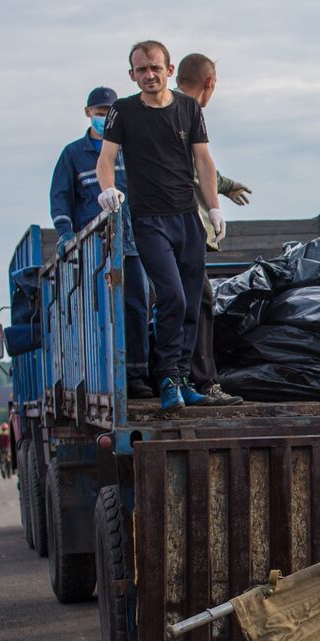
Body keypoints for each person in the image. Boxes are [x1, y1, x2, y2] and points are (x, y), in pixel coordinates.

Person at [98, 40, 229, 411]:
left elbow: (203, 161)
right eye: (141, 70)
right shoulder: (123, 112)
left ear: (169, 70)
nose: (149, 75)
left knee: (190, 300)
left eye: (155, 68)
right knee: (170, 295)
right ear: (131, 75)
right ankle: (167, 378)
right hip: (148, 219)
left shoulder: (188, 108)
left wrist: (215, 208)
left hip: (187, 217)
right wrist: (106, 190)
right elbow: (105, 159)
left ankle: (183, 378)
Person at [50, 87, 155, 399]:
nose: (103, 117)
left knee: (136, 305)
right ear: (87, 113)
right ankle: (99, 378)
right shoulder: (72, 155)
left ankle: (136, 375)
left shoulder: (130, 150)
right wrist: (66, 235)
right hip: (93, 252)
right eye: (98, 112)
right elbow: (60, 200)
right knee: (95, 313)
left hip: (131, 245)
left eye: (108, 112)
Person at [174, 53, 248, 406]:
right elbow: (194, 169)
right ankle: (201, 382)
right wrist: (222, 189)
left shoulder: (168, 109)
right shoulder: (186, 111)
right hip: (184, 226)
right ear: (210, 83)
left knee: (188, 301)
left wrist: (224, 184)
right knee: (198, 303)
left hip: (168, 228)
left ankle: (189, 379)